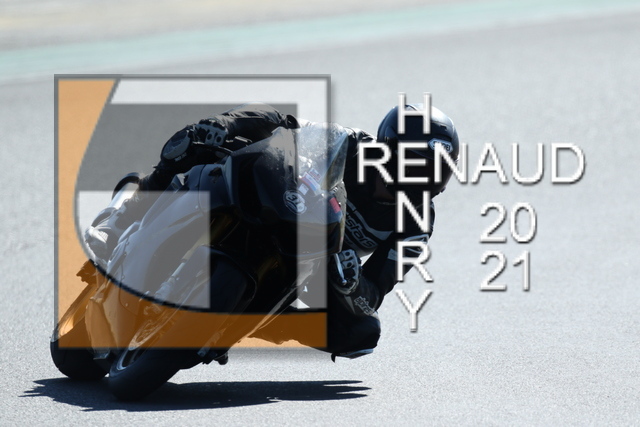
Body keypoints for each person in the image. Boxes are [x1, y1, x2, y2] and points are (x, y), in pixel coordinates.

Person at [86, 102, 460, 360]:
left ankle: (245, 320)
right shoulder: (346, 142)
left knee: (361, 335)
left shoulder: (417, 224)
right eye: (416, 164)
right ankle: (121, 217)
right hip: (277, 204)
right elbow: (281, 122)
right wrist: (227, 124)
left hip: (317, 262)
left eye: (435, 171)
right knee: (194, 142)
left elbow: (375, 292)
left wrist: (351, 281)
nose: (422, 179)